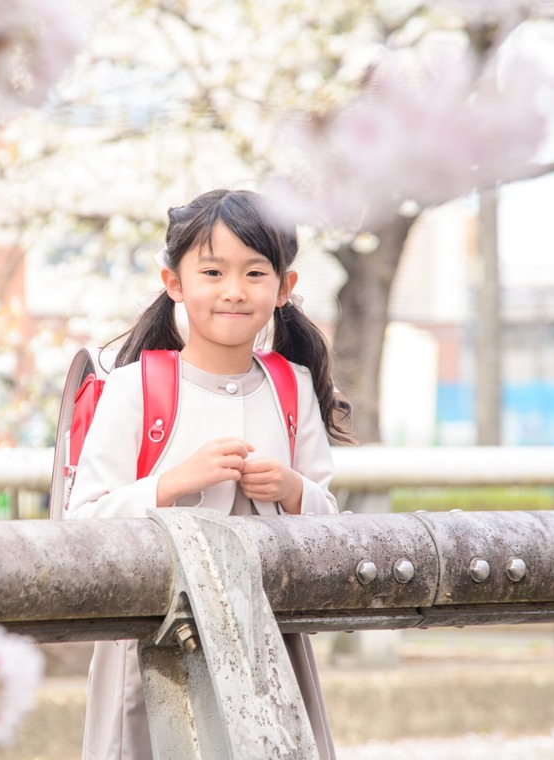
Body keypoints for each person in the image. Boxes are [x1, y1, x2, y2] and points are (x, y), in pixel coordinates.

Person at [64, 188, 354, 760]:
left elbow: (331, 524)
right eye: (213, 270)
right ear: (174, 282)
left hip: (268, 637)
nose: (233, 291)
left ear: (284, 288)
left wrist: (294, 491)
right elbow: (82, 522)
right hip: (151, 653)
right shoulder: (133, 388)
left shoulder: (291, 386)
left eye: (254, 273)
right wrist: (173, 482)